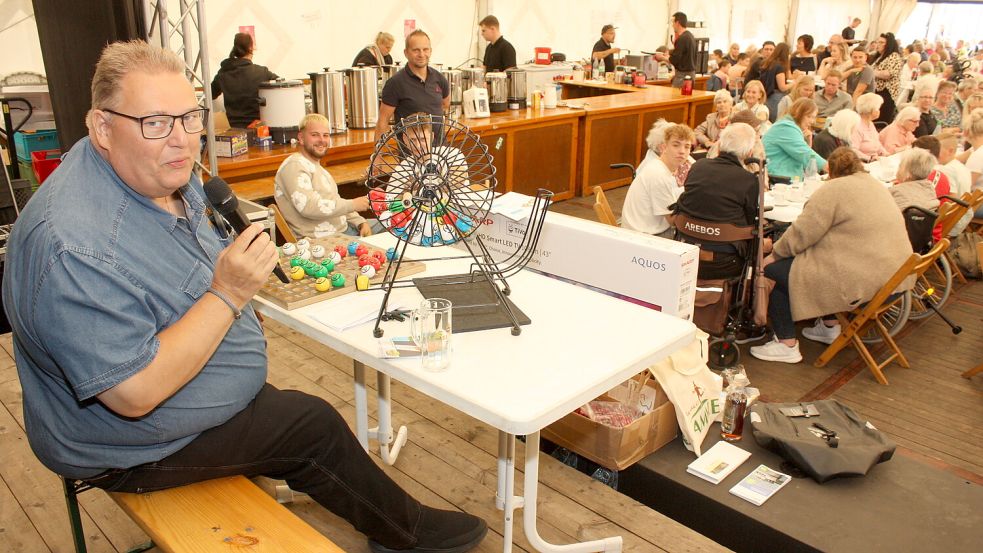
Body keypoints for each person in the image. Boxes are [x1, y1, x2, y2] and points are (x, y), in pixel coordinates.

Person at [0, 40, 487, 553]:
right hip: (124, 444)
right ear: (101, 127)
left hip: (184, 392)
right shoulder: (74, 246)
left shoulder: (151, 171)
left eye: (189, 117)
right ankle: (407, 536)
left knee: (300, 419)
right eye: (155, 123)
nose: (182, 142)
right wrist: (228, 294)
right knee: (311, 428)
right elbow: (134, 392)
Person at [750, 147, 913, 360]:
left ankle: (786, 344)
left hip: (864, 284)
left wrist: (774, 255)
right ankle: (829, 325)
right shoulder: (875, 185)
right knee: (819, 265)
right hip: (895, 279)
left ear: (832, 171)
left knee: (774, 271)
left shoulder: (834, 189)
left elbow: (802, 232)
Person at [673, 123, 761, 279]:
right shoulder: (748, 180)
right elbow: (750, 221)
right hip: (725, 262)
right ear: (749, 152)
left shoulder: (698, 166)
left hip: (685, 252)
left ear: (719, 145)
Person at [275, 114, 380, 238]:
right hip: (324, 240)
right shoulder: (294, 165)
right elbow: (308, 207)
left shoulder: (318, 169)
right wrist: (353, 204)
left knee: (398, 224)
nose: (322, 140)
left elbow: (335, 202)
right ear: (301, 138)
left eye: (325, 135)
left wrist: (360, 222)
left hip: (345, 229)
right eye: (315, 135)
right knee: (395, 237)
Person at [621, 122, 695, 238]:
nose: (682, 151)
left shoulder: (662, 168)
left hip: (648, 230)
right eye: (676, 145)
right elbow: (673, 221)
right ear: (663, 147)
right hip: (643, 237)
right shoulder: (658, 174)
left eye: (687, 146)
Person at [376, 30, 450, 141]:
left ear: (430, 51)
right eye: (416, 50)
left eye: (425, 49)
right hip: (410, 154)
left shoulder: (440, 79)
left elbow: (445, 104)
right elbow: (383, 120)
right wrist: (378, 155)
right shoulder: (395, 83)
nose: (421, 54)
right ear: (406, 53)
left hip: (439, 153)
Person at [210, 32, 277, 128]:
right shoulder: (262, 72)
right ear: (250, 48)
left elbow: (210, 94)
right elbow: (281, 85)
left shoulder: (223, 73)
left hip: (234, 131)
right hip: (258, 129)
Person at [762, 98, 827, 178]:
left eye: (814, 117)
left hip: (785, 176)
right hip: (777, 178)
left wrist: (808, 141)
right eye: (809, 116)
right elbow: (805, 154)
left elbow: (805, 157)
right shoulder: (786, 127)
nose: (812, 121)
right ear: (798, 113)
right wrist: (830, 168)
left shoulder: (790, 126)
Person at [937, 135, 974, 234]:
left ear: (950, 151)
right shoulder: (961, 166)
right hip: (963, 214)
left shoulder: (947, 170)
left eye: (937, 150)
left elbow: (950, 200)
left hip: (952, 220)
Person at [889, 148, 942, 212]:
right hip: (928, 220)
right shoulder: (929, 187)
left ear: (908, 174)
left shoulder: (896, 191)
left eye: (900, 166)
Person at [869, 33, 904, 124]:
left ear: (888, 44)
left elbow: (888, 74)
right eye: (878, 42)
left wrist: (871, 72)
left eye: (881, 42)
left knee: (880, 120)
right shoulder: (879, 56)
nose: (878, 44)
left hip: (886, 93)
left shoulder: (894, 56)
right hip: (875, 91)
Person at [760, 42, 792, 122]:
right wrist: (795, 83)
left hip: (766, 95)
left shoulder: (768, 64)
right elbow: (782, 87)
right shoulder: (779, 67)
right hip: (776, 97)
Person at [851, 93, 888, 161]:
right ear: (871, 110)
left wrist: (885, 153)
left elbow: (877, 143)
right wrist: (869, 158)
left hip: (875, 160)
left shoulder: (870, 124)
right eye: (878, 108)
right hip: (862, 162)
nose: (879, 111)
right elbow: (853, 150)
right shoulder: (857, 126)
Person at [665, 12, 697, 88]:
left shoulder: (682, 38)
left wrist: (663, 58)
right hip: (691, 76)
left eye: (673, 22)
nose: (672, 25)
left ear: (677, 23)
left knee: (676, 98)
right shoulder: (691, 36)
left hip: (682, 77)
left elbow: (675, 60)